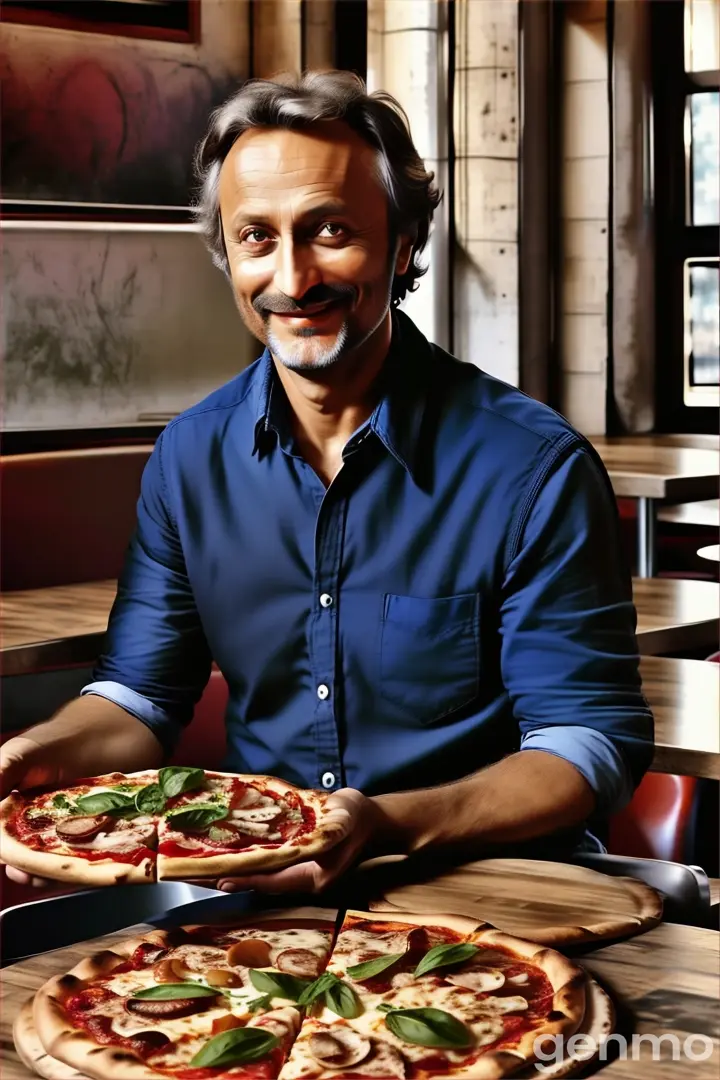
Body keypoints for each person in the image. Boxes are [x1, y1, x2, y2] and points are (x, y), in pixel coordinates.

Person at [1, 71, 653, 894]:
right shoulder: (188, 458)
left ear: (404, 244)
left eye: (330, 230)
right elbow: (141, 698)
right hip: (250, 906)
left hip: (493, 900)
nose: (293, 277)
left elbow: (586, 746)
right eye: (256, 238)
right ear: (227, 256)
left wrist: (391, 823)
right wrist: (36, 755)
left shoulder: (534, 469)